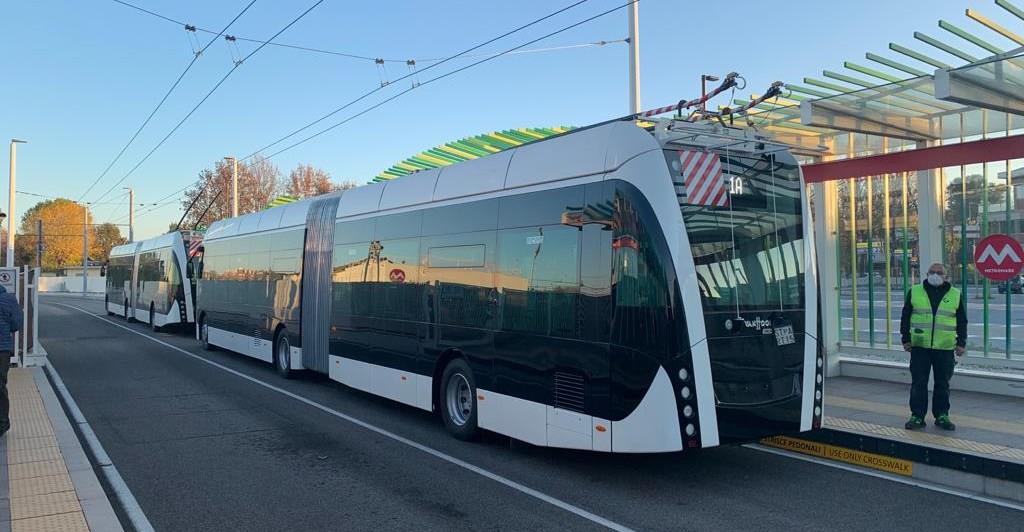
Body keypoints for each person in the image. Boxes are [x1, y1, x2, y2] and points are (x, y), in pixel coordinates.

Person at [900, 263, 966, 431]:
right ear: (927, 273)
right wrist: (905, 339)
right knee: (918, 383)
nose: (935, 275)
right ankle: (917, 416)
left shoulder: (955, 294)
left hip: (944, 348)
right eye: (932, 272)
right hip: (920, 347)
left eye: (939, 272)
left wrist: (961, 343)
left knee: (943, 383)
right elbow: (905, 316)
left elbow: (962, 320)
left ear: (946, 276)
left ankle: (942, 415)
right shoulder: (915, 291)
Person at [0, 283, 22, 436]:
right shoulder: (9, 299)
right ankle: (2, 423)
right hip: (2, 349)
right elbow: (16, 324)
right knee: (0, 386)